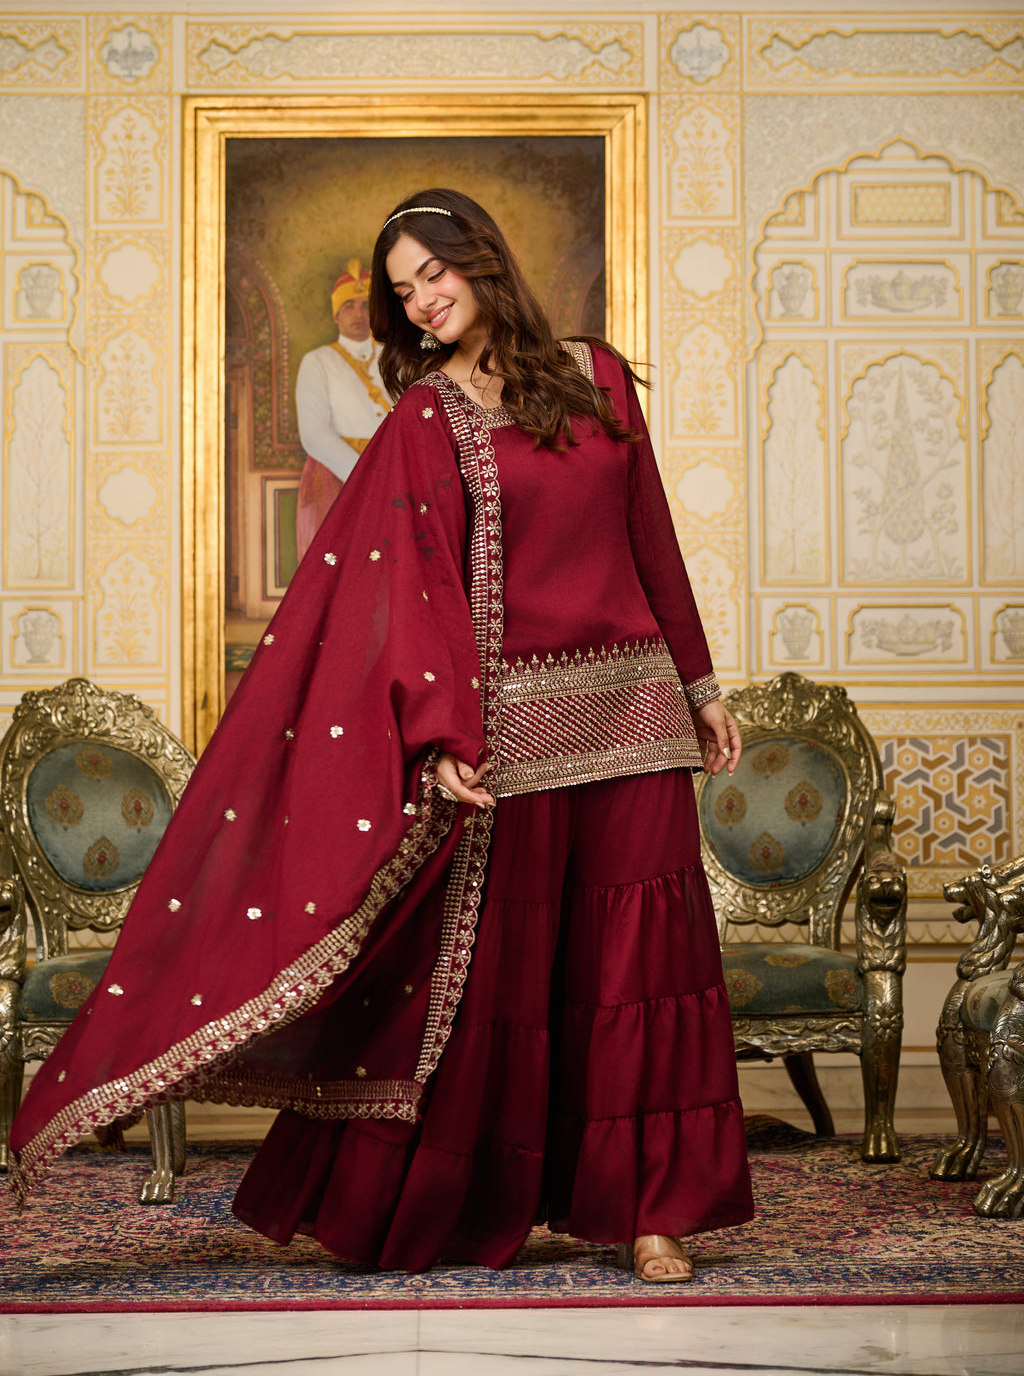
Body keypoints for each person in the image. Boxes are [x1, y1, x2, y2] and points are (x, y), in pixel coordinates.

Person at [10, 189, 752, 1284]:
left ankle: (654, 1214)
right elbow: (415, 595)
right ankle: (478, 1200)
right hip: (517, 741)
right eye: (402, 290)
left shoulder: (598, 377)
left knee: (639, 975)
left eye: (431, 276)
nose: (420, 301)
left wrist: (698, 683)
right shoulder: (427, 417)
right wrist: (442, 733)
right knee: (514, 986)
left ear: (482, 261)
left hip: (636, 718)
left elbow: (652, 536)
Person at [294, 258, 389, 559]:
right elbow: (315, 434)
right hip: (335, 478)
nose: (358, 315)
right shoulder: (318, 362)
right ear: (336, 314)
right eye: (349, 306)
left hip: (389, 474)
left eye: (365, 305)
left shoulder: (393, 358)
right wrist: (364, 478)